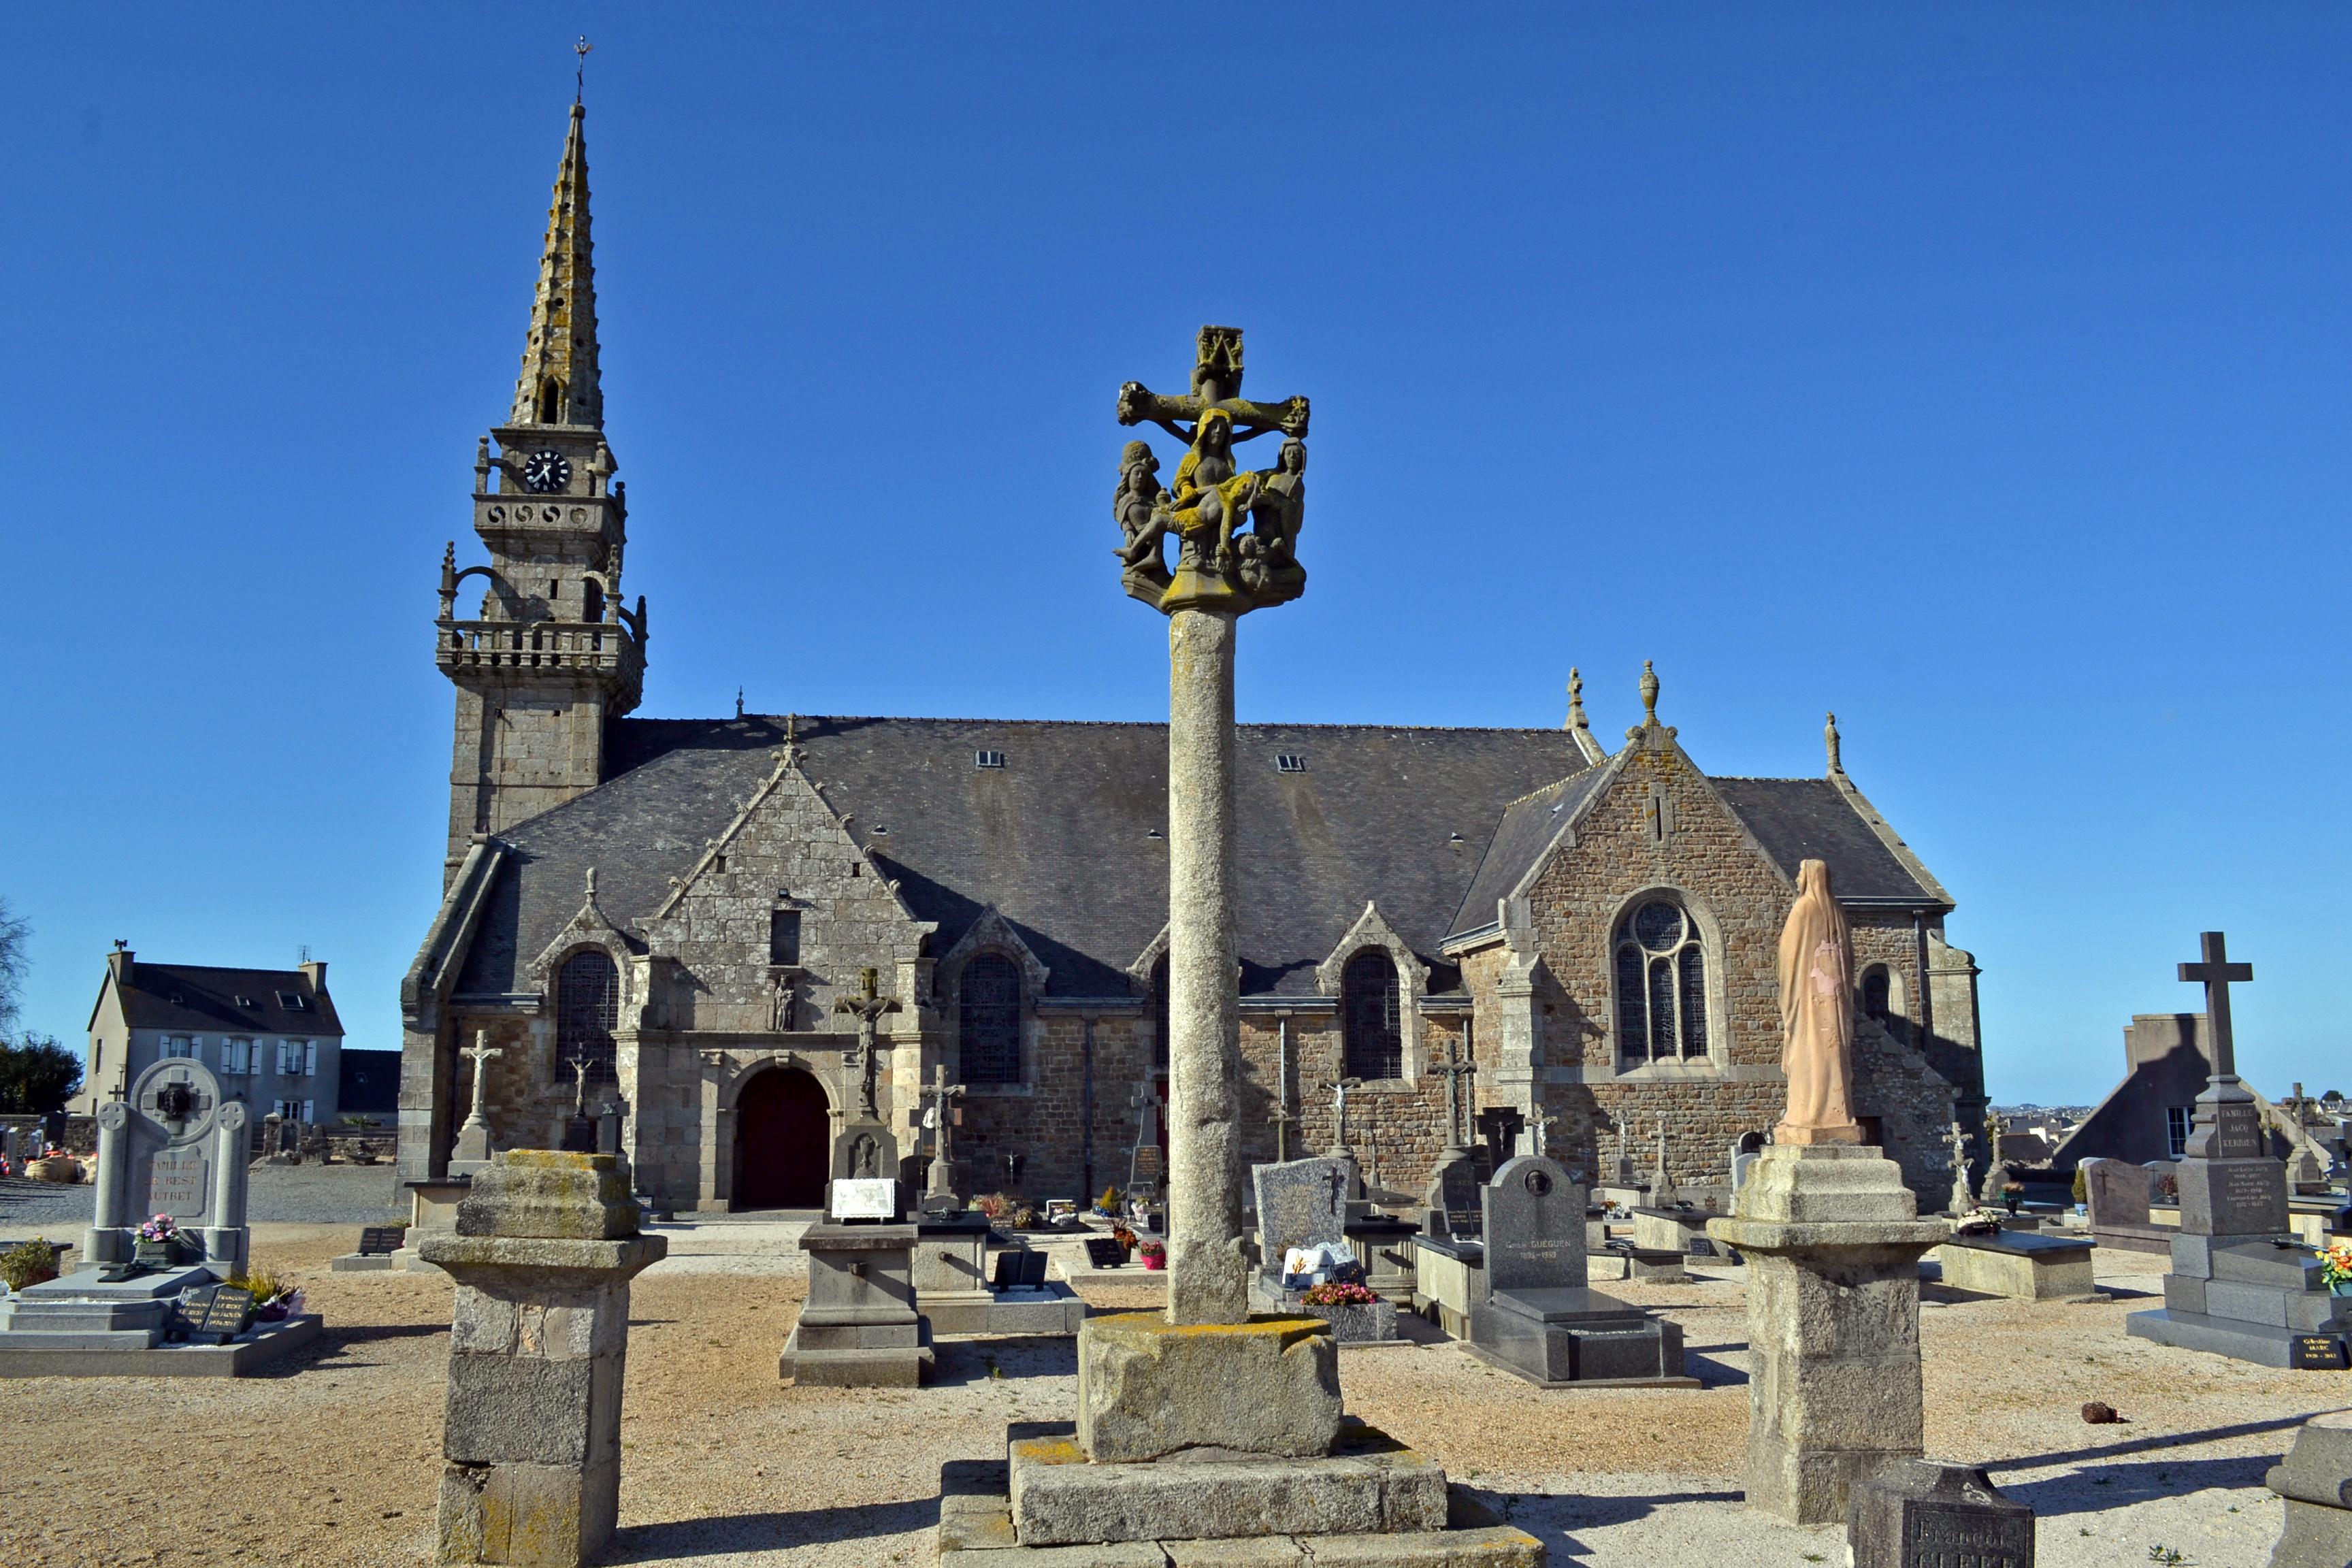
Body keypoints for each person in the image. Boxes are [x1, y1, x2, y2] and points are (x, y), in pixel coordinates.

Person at [1774, 858, 1864, 1144]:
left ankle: (1807, 1115)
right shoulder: (1837, 914)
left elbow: (1788, 960)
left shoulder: (1803, 909)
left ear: (1810, 878)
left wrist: (1789, 1000)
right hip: (1834, 1008)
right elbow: (1848, 962)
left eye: (1800, 874)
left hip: (1808, 1005)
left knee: (1807, 1057)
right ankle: (1837, 1115)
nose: (1797, 880)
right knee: (1833, 1057)